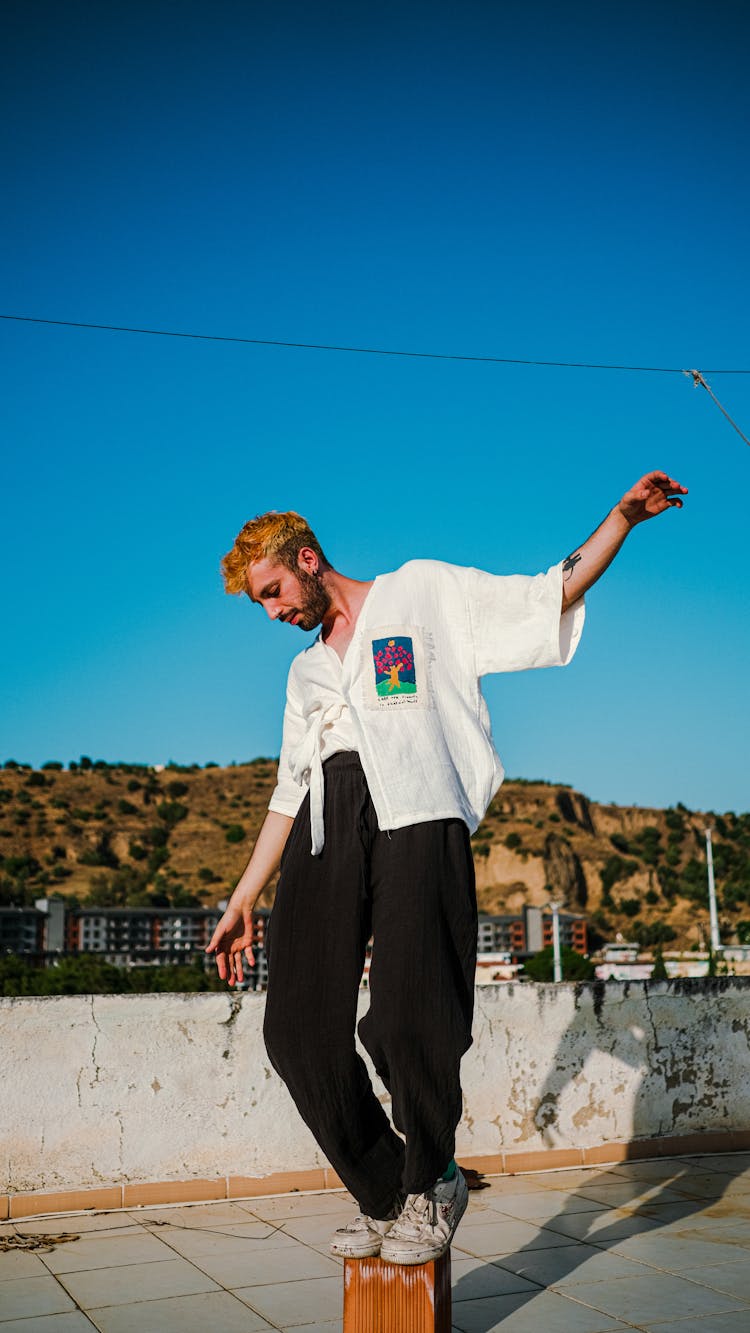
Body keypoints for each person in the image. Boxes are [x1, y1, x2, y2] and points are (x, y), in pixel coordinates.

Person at [207, 470, 687, 1264]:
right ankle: (386, 1190)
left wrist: (621, 520)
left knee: (409, 1017)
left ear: (307, 557)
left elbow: (544, 596)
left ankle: (432, 1181)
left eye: (272, 590)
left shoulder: (417, 593)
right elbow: (288, 791)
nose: (273, 612)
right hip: (326, 824)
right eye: (261, 603)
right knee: (294, 1031)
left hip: (419, 812)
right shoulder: (305, 673)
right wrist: (243, 897)